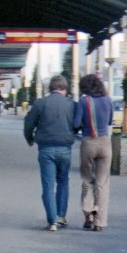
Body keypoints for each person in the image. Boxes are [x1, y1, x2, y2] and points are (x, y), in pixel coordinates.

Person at [23, 75, 76, 231]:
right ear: (65, 89)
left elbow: (29, 123)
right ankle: (61, 217)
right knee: (63, 181)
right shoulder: (72, 104)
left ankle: (52, 222)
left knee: (48, 185)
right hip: (65, 148)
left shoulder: (41, 103)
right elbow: (78, 124)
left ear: (51, 88)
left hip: (46, 149)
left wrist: (30, 139)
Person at [72, 74, 113, 232]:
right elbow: (109, 121)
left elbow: (76, 123)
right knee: (102, 184)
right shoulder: (108, 100)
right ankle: (99, 221)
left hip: (88, 142)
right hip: (105, 143)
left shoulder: (84, 101)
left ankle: (88, 214)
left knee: (87, 180)